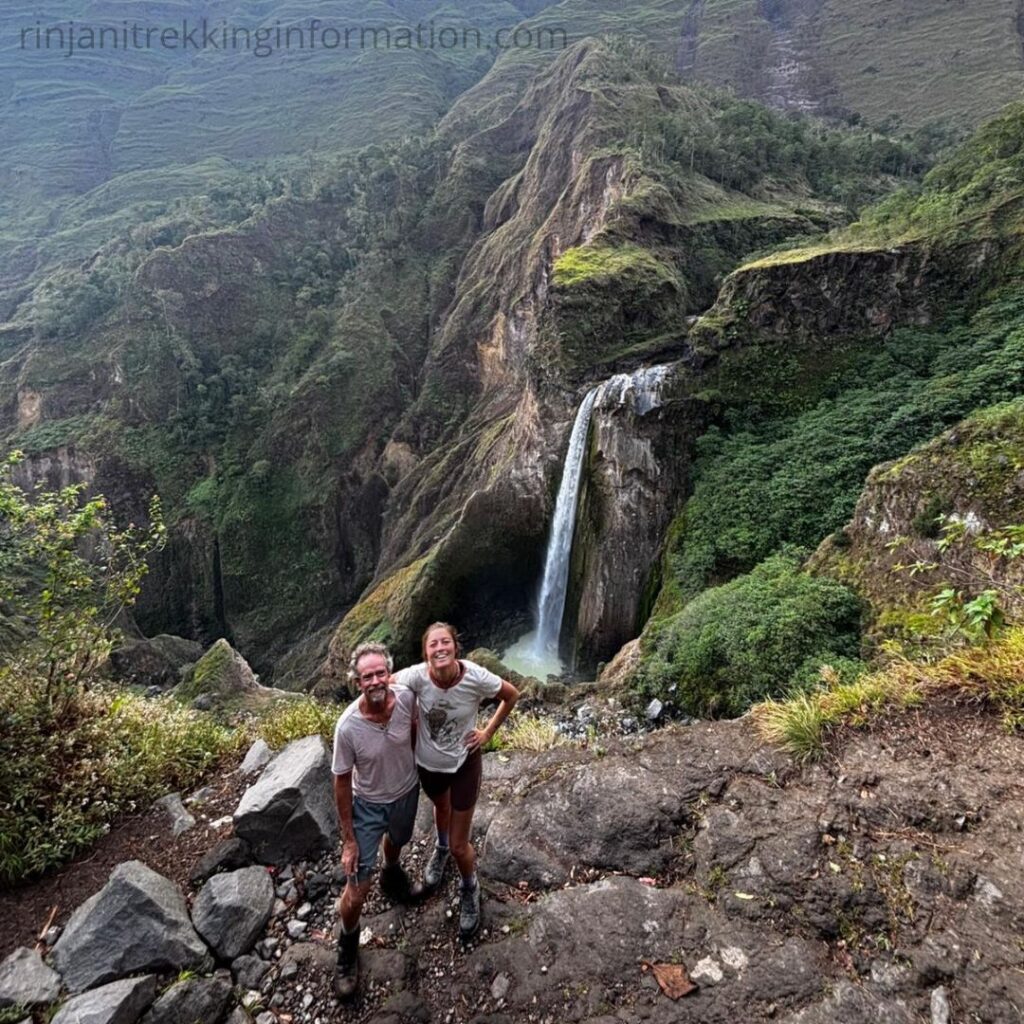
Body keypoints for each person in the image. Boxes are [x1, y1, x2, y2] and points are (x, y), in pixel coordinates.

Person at [392, 622, 519, 940]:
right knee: (440, 806)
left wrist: (487, 732)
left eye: (445, 642)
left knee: (463, 845)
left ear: (455, 647)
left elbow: (511, 694)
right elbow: (386, 686)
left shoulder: (475, 676)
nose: (439, 648)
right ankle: (440, 846)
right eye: (433, 644)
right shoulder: (417, 676)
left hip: (464, 765)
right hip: (429, 766)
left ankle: (469, 886)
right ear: (425, 653)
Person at [331, 641, 418, 1000]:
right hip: (367, 805)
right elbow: (340, 781)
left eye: (381, 673)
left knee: (398, 839)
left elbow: (417, 726)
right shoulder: (347, 727)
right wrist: (348, 839)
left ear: (390, 672)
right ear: (357, 681)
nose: (376, 681)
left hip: (406, 791)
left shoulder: (407, 699)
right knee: (356, 890)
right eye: (368, 676)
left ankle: (392, 873)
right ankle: (347, 948)